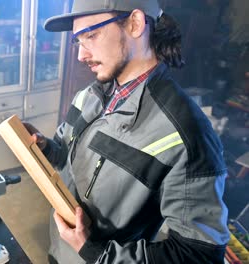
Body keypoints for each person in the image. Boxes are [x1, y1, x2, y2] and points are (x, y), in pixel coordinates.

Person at [24, 0, 230, 263]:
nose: (80, 55)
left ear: (135, 23)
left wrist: (97, 253)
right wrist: (46, 148)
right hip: (60, 252)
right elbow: (65, 155)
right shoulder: (88, 95)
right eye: (78, 40)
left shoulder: (185, 133)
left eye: (90, 35)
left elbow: (199, 254)